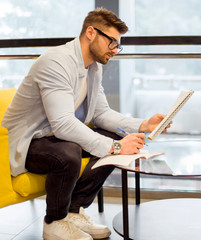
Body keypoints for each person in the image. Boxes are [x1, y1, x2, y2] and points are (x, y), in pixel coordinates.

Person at [1, 8, 170, 240]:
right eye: (111, 42)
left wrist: (143, 125)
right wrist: (117, 148)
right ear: (91, 32)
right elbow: (62, 124)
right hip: (25, 142)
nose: (115, 50)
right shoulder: (56, 62)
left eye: (117, 45)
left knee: (115, 136)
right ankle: (54, 222)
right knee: (70, 152)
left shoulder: (93, 67)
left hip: (51, 136)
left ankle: (73, 212)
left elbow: (101, 114)